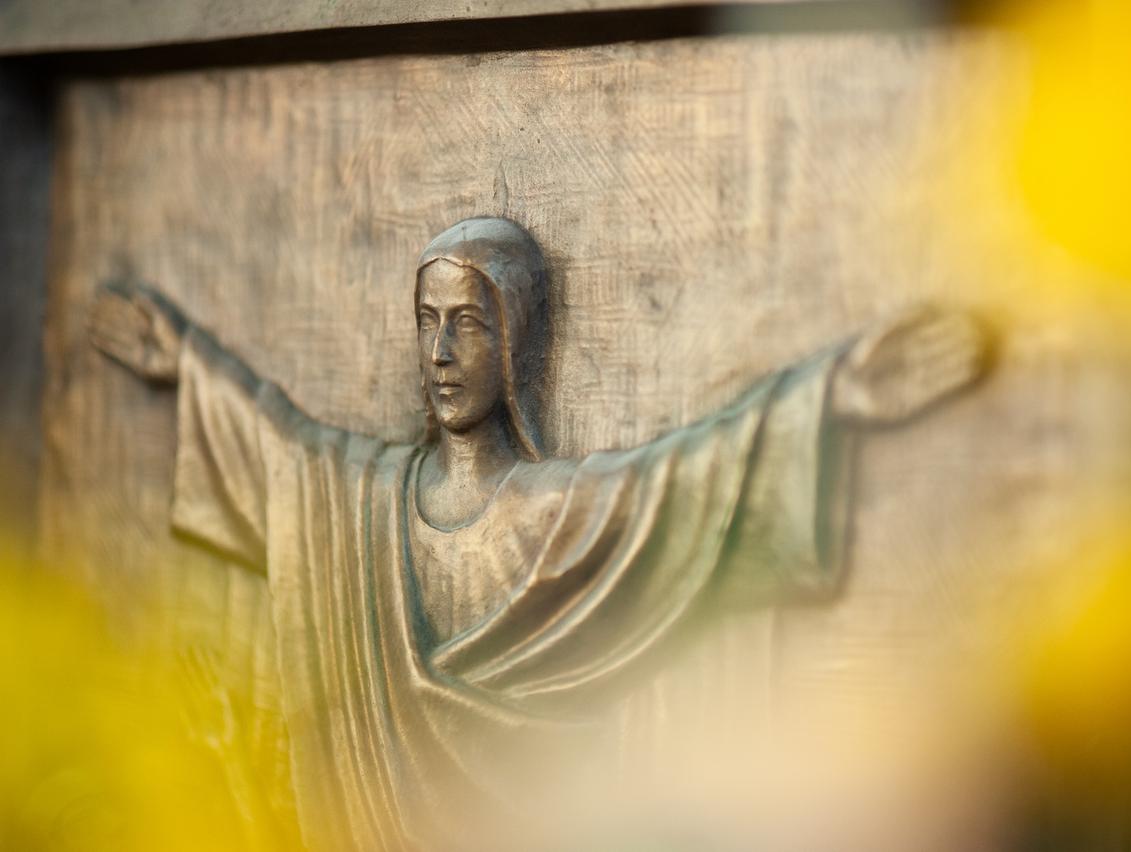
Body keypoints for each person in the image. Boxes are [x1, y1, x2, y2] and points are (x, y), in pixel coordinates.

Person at [90, 216, 989, 851]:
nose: (441, 354)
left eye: (469, 324)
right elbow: (285, 457)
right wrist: (188, 365)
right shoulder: (359, 504)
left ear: (516, 341)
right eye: (427, 323)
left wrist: (834, 396)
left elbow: (693, 484)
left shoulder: (561, 514)